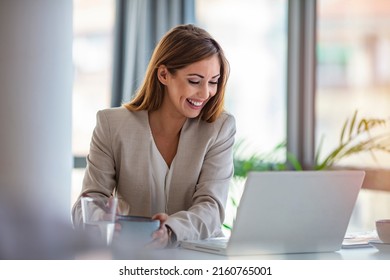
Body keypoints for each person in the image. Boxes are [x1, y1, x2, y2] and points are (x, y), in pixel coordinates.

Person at [71, 24, 236, 249]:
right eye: (195, 81)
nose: (205, 93)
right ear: (164, 74)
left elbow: (211, 207)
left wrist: (170, 230)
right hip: (131, 255)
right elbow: (88, 201)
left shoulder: (219, 128)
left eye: (213, 82)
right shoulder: (111, 124)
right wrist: (97, 219)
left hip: (198, 255)